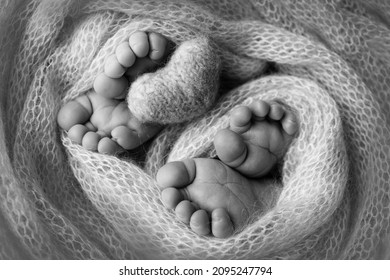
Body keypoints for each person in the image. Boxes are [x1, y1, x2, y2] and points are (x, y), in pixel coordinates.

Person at [57, 31, 299, 238]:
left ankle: (145, 101)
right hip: (214, 90)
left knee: (254, 88)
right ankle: (146, 105)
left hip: (226, 75)